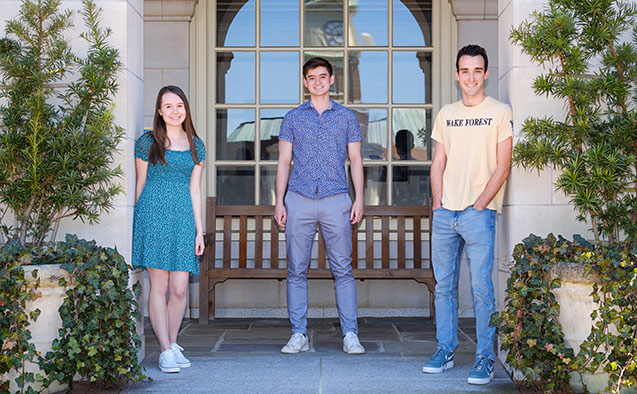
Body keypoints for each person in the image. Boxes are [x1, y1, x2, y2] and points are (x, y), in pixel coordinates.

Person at [421, 45, 513, 385]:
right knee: (444, 286)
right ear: (457, 74)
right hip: (445, 212)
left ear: (485, 73)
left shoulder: (500, 112)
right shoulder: (447, 113)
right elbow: (438, 162)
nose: (471, 77)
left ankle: (485, 357)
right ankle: (445, 350)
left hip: (479, 212)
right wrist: (437, 200)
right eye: (465, 71)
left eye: (477, 70)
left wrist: (481, 202)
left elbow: (503, 165)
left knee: (481, 288)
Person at [274, 57, 366, 355]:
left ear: (332, 79)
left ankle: (350, 334)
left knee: (343, 269)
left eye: (322, 76)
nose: (317, 81)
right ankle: (298, 334)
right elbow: (284, 162)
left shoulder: (347, 117)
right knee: (296, 270)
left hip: (335, 197)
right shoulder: (292, 118)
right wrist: (279, 201)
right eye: (311, 77)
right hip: (298, 198)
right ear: (305, 82)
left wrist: (359, 198)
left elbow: (355, 161)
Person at [132, 85, 206, 373]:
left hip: (183, 219)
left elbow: (195, 191)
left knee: (179, 290)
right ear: (160, 112)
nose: (175, 111)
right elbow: (140, 184)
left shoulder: (197, 146)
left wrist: (199, 231)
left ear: (185, 110)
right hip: (153, 217)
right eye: (169, 106)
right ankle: (164, 350)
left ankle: (173, 344)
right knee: (159, 287)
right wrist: (139, 224)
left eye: (180, 106)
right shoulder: (146, 143)